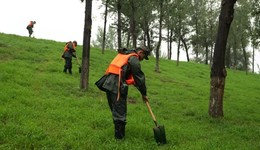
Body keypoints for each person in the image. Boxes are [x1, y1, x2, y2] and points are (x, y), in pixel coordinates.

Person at [95, 46, 150, 139]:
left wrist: (141, 92)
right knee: (120, 111)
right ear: (140, 52)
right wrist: (144, 94)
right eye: (143, 57)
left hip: (108, 83)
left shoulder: (124, 54)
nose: (142, 60)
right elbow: (139, 78)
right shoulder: (133, 58)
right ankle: (119, 139)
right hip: (117, 85)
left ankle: (118, 135)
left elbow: (129, 76)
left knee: (115, 110)